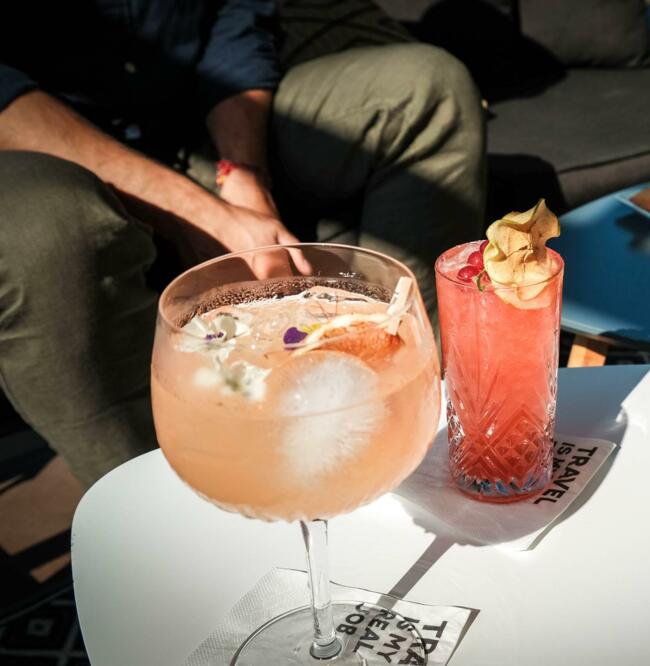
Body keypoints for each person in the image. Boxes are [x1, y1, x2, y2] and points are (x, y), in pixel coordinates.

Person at [0, 1, 486, 487]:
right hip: (44, 154)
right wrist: (200, 215)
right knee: (46, 233)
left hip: (196, 120)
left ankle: (409, 431)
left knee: (426, 87)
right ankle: (163, 501)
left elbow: (234, 12)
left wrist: (242, 172)